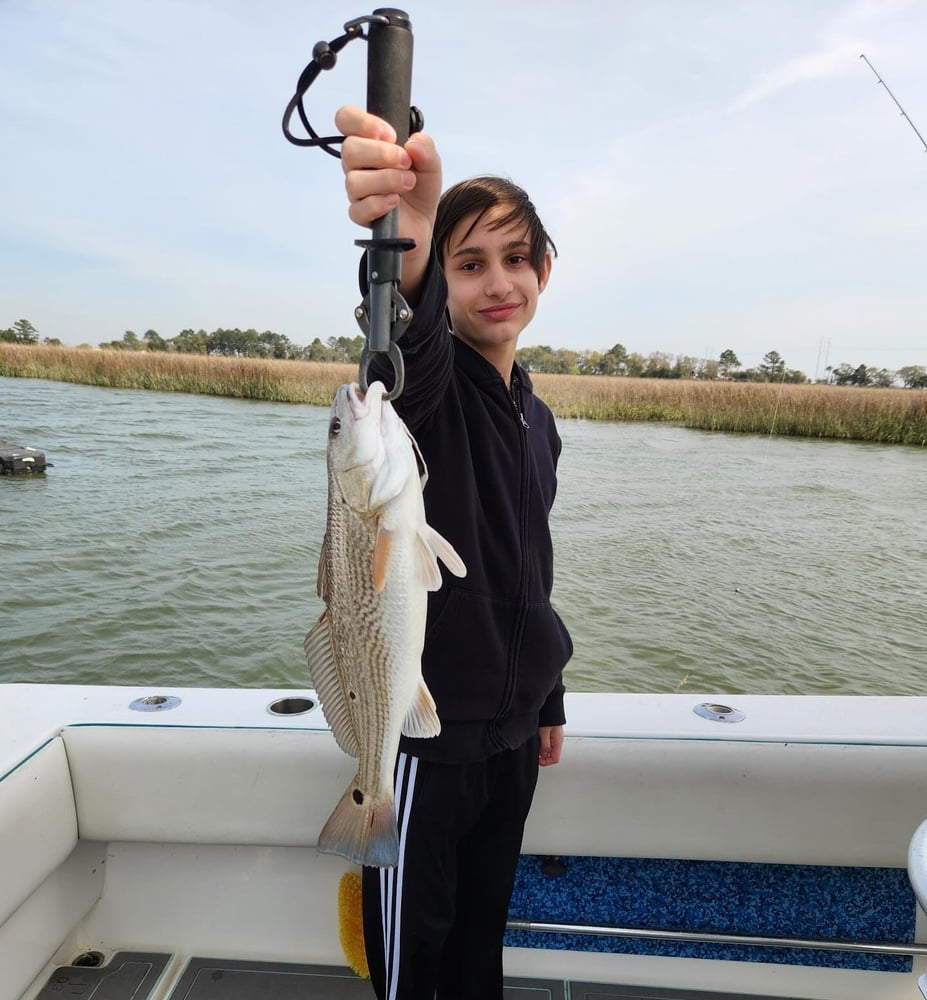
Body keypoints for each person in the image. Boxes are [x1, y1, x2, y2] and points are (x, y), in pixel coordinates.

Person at [336, 104, 573, 1000]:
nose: (495, 282)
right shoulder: (422, 399)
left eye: (514, 259)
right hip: (422, 743)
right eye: (467, 263)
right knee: (413, 962)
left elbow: (532, 570)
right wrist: (405, 237)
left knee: (481, 940)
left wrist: (545, 694)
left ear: (544, 270)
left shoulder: (538, 418)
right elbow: (406, 344)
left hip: (511, 738)